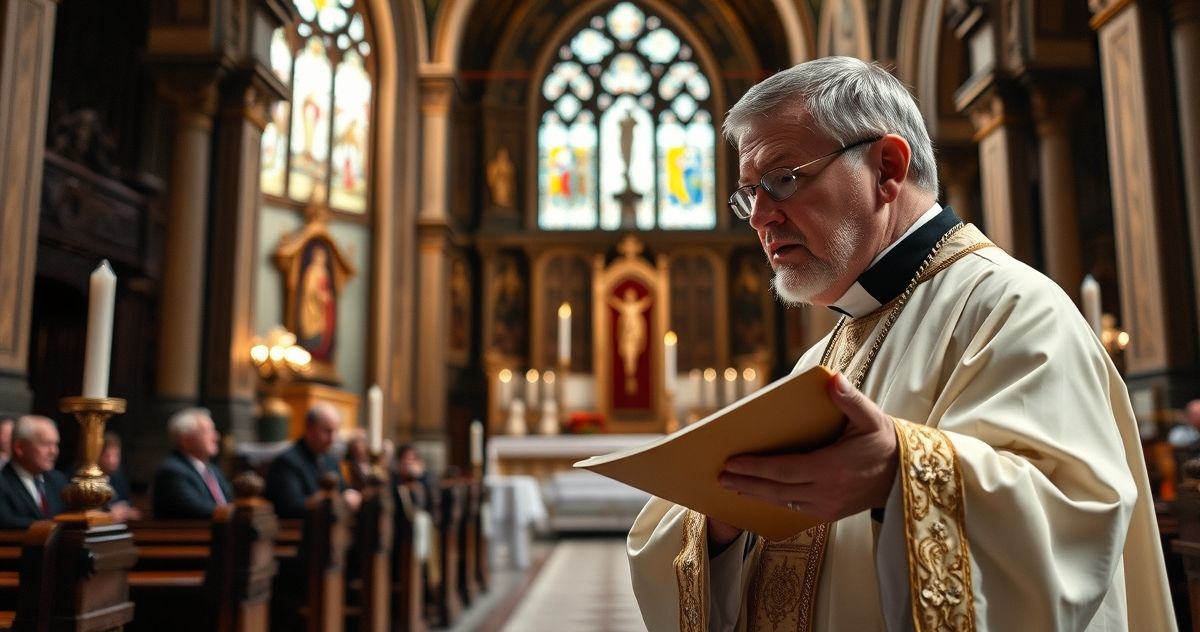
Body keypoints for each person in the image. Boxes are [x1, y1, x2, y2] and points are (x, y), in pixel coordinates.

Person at [627, 56, 1175, 631]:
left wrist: (900, 473)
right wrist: (721, 519)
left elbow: (1074, 530)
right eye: (748, 195)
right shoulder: (828, 349)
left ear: (887, 168)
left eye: (783, 179)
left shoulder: (1013, 309)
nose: (760, 216)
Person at [265, 403, 361, 519]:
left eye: (336, 431)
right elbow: (291, 506)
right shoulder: (287, 462)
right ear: (309, 430)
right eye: (327, 431)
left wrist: (349, 494)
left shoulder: (330, 459)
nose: (333, 438)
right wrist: (328, 499)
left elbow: (342, 489)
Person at [151, 408, 233, 519]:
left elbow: (229, 499)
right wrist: (237, 511)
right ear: (185, 440)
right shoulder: (172, 471)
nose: (216, 437)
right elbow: (195, 509)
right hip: (194, 534)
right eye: (208, 432)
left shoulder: (212, 469)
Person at [0, 416, 68, 529]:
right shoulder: (3, 482)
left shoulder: (58, 480)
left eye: (56, 444)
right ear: (20, 448)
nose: (54, 452)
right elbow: (6, 522)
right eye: (46, 444)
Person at [98, 432, 141, 521]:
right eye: (107, 456)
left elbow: (129, 505)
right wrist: (108, 515)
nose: (112, 461)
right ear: (97, 456)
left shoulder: (119, 477)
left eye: (116, 455)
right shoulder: (87, 480)